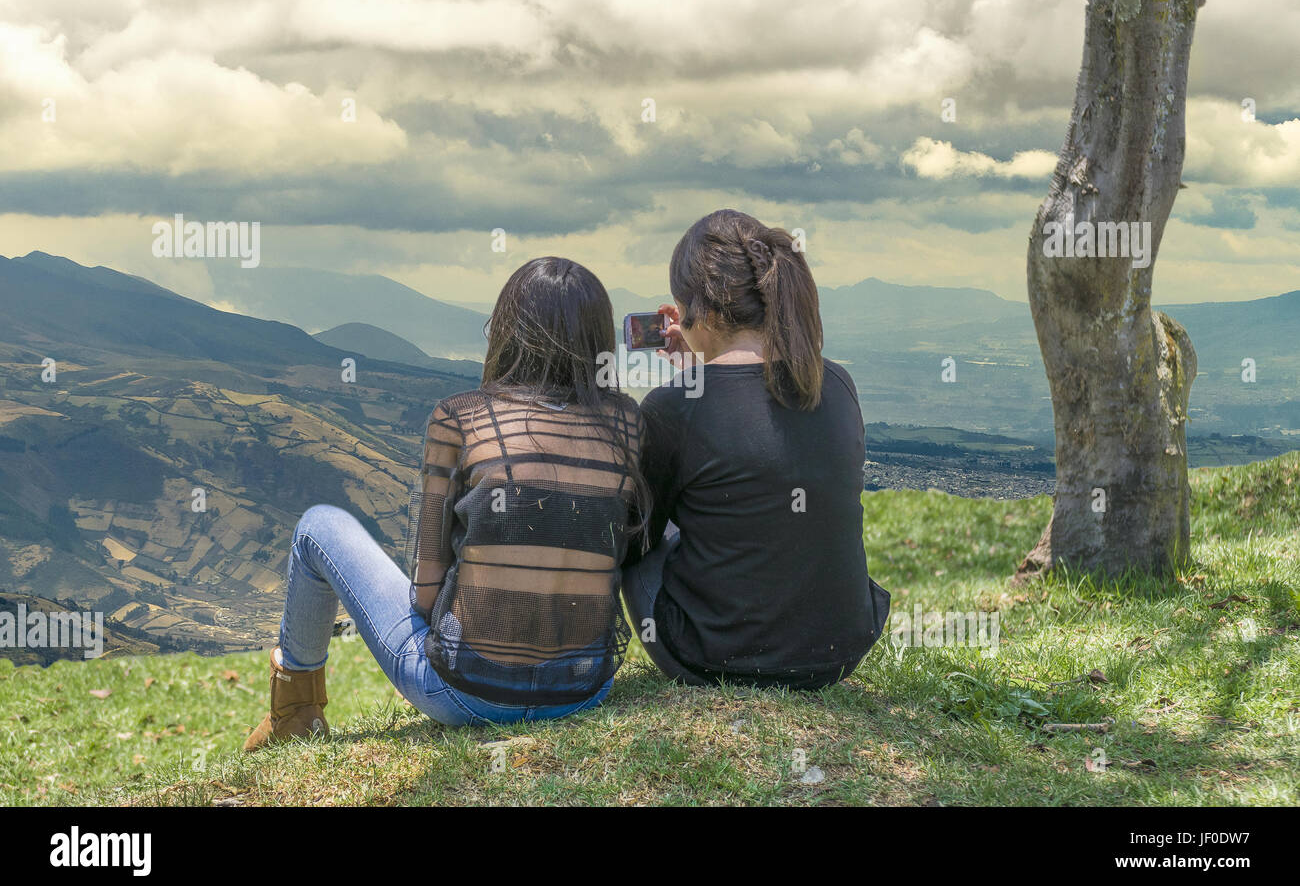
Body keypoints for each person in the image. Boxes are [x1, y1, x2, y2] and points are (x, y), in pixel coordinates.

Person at [245, 257, 647, 749]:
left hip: (460, 694)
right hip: (585, 691)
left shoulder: (460, 418)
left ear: (505, 331)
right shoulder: (627, 426)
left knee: (317, 527)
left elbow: (426, 592)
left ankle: (295, 712)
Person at [622, 209, 890, 690]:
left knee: (645, 540)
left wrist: (690, 383)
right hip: (837, 653)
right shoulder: (837, 383)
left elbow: (639, 538)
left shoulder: (671, 409)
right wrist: (699, 368)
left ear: (694, 311)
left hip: (715, 659)